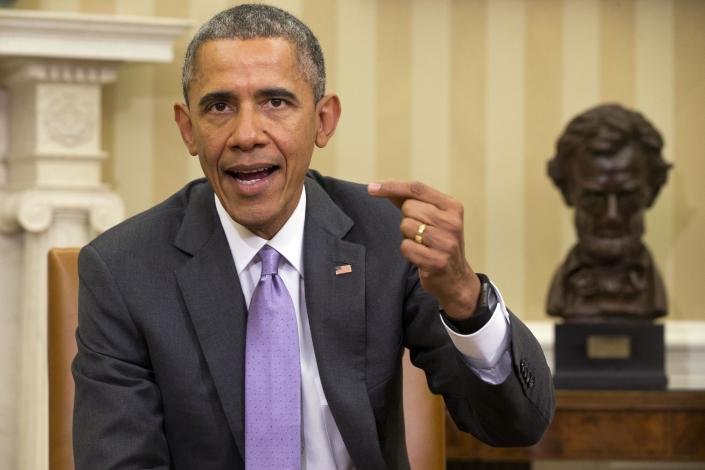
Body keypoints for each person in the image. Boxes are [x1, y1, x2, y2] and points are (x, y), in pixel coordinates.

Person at [72, 4, 554, 469]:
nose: (246, 134)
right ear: (188, 128)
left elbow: (516, 425)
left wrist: (465, 297)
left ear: (323, 121)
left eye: (275, 102)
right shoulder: (123, 271)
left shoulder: (386, 237)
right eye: (219, 106)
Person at [546, 103, 672, 322]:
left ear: (652, 192)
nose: (611, 216)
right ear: (567, 191)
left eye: (627, 197)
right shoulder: (563, 291)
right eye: (593, 198)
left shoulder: (651, 288)